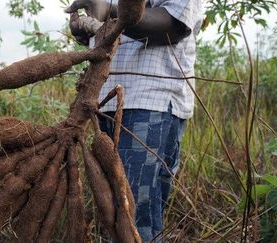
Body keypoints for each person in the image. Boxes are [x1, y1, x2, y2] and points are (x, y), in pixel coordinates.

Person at [66, 0, 204, 241]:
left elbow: (172, 25)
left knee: (134, 216)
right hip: (106, 100)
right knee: (114, 213)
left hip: (150, 100)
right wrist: (87, 26)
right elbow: (106, 30)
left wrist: (108, 10)